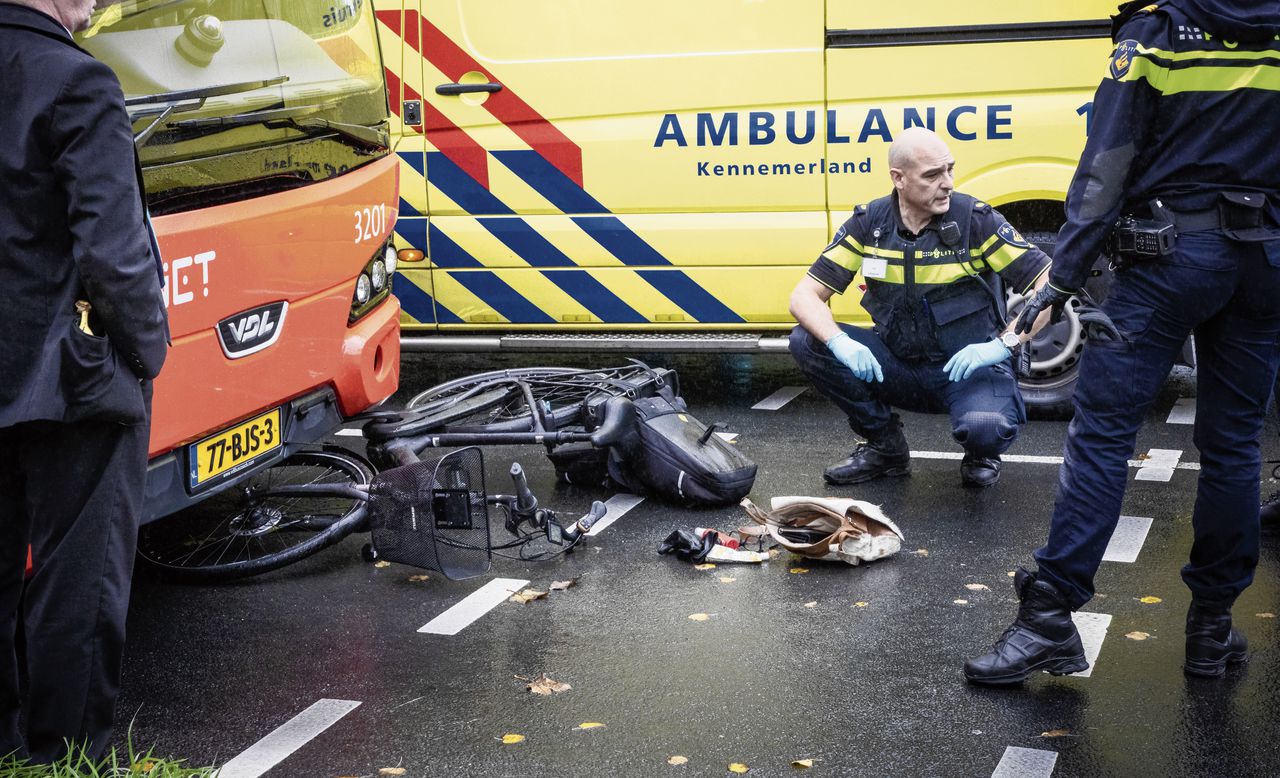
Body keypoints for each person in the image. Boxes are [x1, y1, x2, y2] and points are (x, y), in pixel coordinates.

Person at [965, 0, 1280, 685]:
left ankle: (1050, 616)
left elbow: (1107, 160)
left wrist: (1064, 276)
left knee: (1104, 431)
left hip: (1169, 259)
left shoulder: (1159, 30)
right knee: (1234, 447)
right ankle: (1212, 628)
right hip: (1267, 264)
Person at [0, 0, 169, 763]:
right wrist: (150, 352)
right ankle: (67, 755)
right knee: (81, 577)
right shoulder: (77, 81)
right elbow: (114, 251)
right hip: (73, 379)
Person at [788, 127, 1053, 489]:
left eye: (950, 170)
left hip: (969, 368)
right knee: (808, 339)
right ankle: (886, 449)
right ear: (898, 178)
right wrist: (839, 341)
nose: (947, 183)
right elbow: (804, 296)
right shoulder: (870, 225)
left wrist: (1002, 345)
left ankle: (982, 452)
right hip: (899, 366)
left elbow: (1048, 285)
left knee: (985, 427)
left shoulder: (976, 221)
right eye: (932, 174)